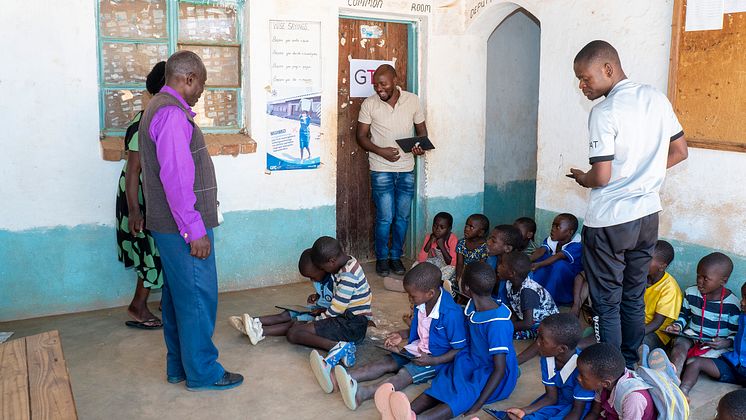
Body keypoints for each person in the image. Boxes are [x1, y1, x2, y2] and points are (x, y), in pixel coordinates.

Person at [569, 40, 689, 367]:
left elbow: (603, 176)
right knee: (634, 295)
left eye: (585, 77)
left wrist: (584, 179)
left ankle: (609, 370)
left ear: (608, 69)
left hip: (610, 218)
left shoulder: (604, 112)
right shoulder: (656, 98)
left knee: (607, 303)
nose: (582, 86)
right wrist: (642, 174)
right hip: (648, 215)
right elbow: (680, 152)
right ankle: (631, 364)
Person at [138, 50, 242, 390]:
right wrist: (195, 230)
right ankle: (203, 372)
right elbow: (178, 179)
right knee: (198, 297)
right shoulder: (170, 115)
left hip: (169, 228)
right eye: (201, 84)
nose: (202, 91)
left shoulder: (158, 108)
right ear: (188, 79)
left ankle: (179, 367)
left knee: (177, 297)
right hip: (182, 229)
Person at [375, 262, 519, 419]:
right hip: (469, 359)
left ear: (466, 288)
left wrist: (477, 404)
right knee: (442, 385)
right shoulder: (473, 305)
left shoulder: (498, 323)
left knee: (461, 396)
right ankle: (406, 412)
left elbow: (499, 369)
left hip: (488, 372)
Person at [332, 263, 467, 411]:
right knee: (386, 362)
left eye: (412, 296)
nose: (409, 299)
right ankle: (343, 377)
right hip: (416, 348)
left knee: (403, 374)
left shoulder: (451, 314)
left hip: (435, 360)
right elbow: (423, 329)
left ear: (430, 293)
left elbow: (459, 349)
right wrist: (401, 334)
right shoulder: (421, 301)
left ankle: (363, 394)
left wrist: (433, 360)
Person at [356, 64, 428, 277]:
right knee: (385, 217)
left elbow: (422, 133)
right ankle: (382, 258)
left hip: (406, 168)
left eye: (383, 84)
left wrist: (419, 147)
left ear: (396, 80)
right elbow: (360, 137)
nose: (379, 89)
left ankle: (396, 257)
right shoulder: (369, 104)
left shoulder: (412, 100)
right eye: (376, 85)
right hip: (381, 169)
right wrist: (381, 151)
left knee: (402, 217)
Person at [115, 61, 166, 330]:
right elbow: (134, 169)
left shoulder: (159, 117)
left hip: (151, 195)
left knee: (161, 250)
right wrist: (135, 211)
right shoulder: (144, 121)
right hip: (139, 197)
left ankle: (163, 302)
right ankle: (138, 306)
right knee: (149, 252)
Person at [227, 248, 333, 344]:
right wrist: (316, 296)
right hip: (314, 309)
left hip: (323, 315)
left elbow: (338, 307)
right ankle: (252, 321)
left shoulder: (334, 283)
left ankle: (260, 332)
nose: (312, 280)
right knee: (285, 315)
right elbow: (323, 295)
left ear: (322, 268)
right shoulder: (319, 279)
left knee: (294, 322)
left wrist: (321, 311)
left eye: (312, 277)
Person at [308, 236, 373, 392]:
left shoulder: (347, 275)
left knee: (300, 331)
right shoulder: (349, 262)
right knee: (302, 330)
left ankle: (336, 353)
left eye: (323, 268)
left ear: (331, 261)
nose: (323, 272)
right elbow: (340, 301)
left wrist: (318, 320)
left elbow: (337, 308)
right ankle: (341, 351)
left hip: (353, 324)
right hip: (351, 320)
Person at [665, 252, 740, 378]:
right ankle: (672, 379)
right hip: (692, 336)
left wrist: (726, 342)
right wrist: (677, 325)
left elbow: (735, 333)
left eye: (705, 278)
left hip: (716, 344)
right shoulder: (691, 293)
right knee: (679, 349)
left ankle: (678, 373)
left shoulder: (732, 304)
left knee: (695, 363)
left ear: (723, 281)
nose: (700, 281)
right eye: (698, 276)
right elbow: (684, 315)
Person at [506, 314, 594, 420]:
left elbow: (577, 411)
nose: (537, 343)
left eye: (542, 340)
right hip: (558, 400)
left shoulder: (584, 370)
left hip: (578, 407)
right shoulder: (547, 358)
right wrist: (524, 410)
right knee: (527, 417)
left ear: (562, 349)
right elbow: (551, 397)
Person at [679, 282, 746, 396]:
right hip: (733, 365)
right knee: (695, 362)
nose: (742, 302)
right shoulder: (743, 316)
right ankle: (682, 393)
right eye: (743, 297)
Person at [576, 343, 656, 420]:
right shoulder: (602, 383)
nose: (578, 378)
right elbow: (595, 412)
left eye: (583, 377)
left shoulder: (633, 399)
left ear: (605, 383)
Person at [387, 212, 458, 294]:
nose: (437, 229)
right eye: (435, 226)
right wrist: (429, 242)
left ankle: (426, 287)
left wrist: (442, 246)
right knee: (417, 265)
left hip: (448, 266)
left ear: (449, 229)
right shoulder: (429, 237)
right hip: (437, 262)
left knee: (447, 271)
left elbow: (452, 262)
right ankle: (411, 284)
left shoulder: (452, 239)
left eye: (442, 227)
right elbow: (421, 259)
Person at [500, 251, 559, 341]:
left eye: (502, 266)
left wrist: (504, 326)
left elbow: (528, 323)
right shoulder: (509, 283)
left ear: (512, 273)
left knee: (503, 332)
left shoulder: (527, 291)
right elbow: (514, 308)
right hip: (528, 319)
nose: (498, 267)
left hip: (545, 324)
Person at [530, 213, 583, 305]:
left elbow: (559, 256)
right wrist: (527, 260)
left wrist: (539, 265)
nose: (553, 229)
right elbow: (541, 251)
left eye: (558, 227)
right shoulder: (552, 240)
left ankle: (547, 302)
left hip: (566, 285)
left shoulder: (577, 244)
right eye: (553, 225)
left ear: (570, 232)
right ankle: (532, 293)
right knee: (542, 258)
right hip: (552, 278)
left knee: (559, 264)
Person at [640, 240, 683, 351]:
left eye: (648, 259)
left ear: (662, 266)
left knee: (637, 345)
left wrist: (631, 334)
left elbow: (656, 324)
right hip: (634, 324)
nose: (642, 262)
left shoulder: (670, 289)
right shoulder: (639, 277)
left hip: (656, 333)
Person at [485, 224, 524, 304]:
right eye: (489, 238)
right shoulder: (492, 260)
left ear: (508, 248)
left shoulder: (517, 270)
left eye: (493, 241)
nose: (488, 242)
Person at [454, 214, 490, 292]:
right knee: (452, 284)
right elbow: (460, 263)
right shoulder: (462, 243)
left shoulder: (485, 247)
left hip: (476, 276)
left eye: (471, 227)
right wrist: (458, 278)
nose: (466, 229)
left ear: (481, 232)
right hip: (463, 273)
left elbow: (480, 268)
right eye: (466, 225)